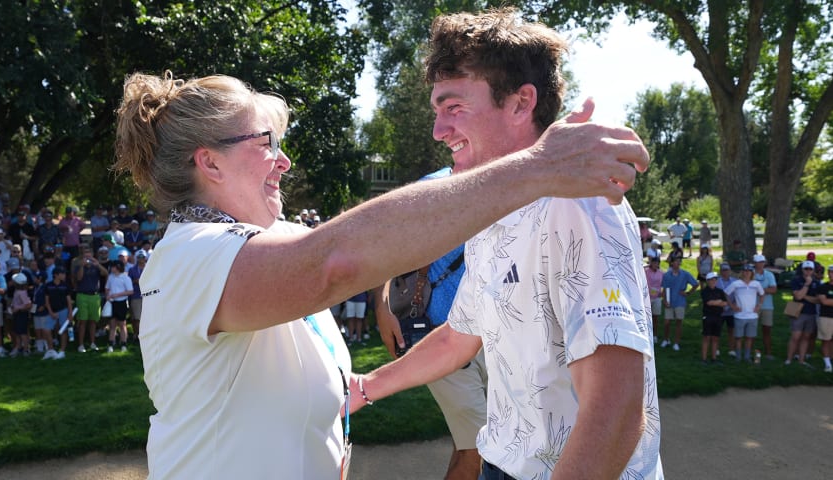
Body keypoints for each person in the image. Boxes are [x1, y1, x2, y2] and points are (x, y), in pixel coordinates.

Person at [112, 60, 650, 478]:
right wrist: (537, 168)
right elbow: (338, 260)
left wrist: (364, 389)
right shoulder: (193, 256)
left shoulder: (258, 245)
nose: (284, 160)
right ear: (208, 162)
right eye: (266, 143)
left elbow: (382, 241)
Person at [349, 10, 662, 480]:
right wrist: (365, 387)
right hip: (501, 462)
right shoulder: (493, 209)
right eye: (437, 110)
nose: (439, 130)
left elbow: (616, 412)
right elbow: (460, 335)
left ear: (521, 103)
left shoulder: (578, 203)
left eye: (454, 108)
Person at [374, 167, 484, 479]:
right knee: (477, 451)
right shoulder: (434, 186)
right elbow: (385, 245)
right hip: (443, 337)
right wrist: (383, 308)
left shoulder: (510, 181)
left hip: (493, 339)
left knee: (473, 445)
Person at [724, 264, 764, 363]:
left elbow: (762, 294)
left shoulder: (756, 284)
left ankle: (746, 356)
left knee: (749, 337)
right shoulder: (736, 283)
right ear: (742, 272)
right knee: (738, 337)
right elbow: (726, 293)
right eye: (745, 271)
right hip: (739, 315)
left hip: (752, 315)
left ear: (752, 273)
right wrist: (732, 306)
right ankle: (738, 357)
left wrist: (759, 305)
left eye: (749, 271)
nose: (746, 273)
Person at [72, 244, 107, 352]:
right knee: (82, 321)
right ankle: (81, 344)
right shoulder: (78, 266)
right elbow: (79, 278)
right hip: (82, 295)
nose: (87, 257)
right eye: (85, 255)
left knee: (93, 321)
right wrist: (82, 266)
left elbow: (105, 273)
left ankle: (92, 343)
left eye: (89, 254)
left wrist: (97, 264)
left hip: (94, 296)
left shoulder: (96, 266)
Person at [661, 256, 699, 351]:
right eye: (676, 261)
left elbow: (696, 284)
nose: (678, 263)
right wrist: (664, 300)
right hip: (669, 302)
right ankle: (666, 339)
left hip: (680, 302)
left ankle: (676, 343)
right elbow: (665, 289)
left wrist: (688, 293)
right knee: (667, 322)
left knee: (679, 322)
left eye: (679, 262)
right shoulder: (666, 275)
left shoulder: (685, 274)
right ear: (672, 263)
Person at [786, 261, 819, 366]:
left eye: (810, 269)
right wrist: (806, 285)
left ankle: (801, 360)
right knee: (796, 336)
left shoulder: (817, 283)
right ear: (802, 270)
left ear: (813, 271)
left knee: (806, 337)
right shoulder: (796, 280)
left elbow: (817, 300)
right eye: (806, 269)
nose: (808, 271)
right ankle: (789, 359)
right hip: (798, 312)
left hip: (811, 312)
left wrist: (803, 296)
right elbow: (798, 297)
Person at [752, 254, 777, 359]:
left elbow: (774, 290)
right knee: (751, 330)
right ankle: (749, 352)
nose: (761, 264)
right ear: (754, 263)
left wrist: (759, 290)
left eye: (762, 262)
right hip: (753, 306)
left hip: (767, 306)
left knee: (767, 330)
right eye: (758, 262)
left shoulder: (769, 275)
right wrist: (765, 290)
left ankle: (768, 353)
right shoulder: (750, 274)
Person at [45, 267, 73, 359]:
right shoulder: (48, 285)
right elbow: (47, 301)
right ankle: (51, 350)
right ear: (56, 275)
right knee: (47, 330)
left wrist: (70, 313)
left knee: (63, 330)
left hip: (63, 310)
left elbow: (69, 301)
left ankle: (62, 351)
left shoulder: (65, 285)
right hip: (52, 311)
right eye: (62, 273)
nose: (64, 275)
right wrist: (51, 312)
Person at [105, 260, 133, 353]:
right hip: (112, 303)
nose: (111, 268)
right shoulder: (110, 277)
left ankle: (124, 343)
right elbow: (107, 288)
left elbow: (130, 291)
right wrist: (108, 296)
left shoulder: (125, 278)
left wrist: (117, 295)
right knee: (112, 324)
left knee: (122, 324)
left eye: (113, 267)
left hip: (121, 303)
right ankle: (111, 343)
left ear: (117, 267)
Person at [700, 272, 727, 364]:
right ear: (708, 281)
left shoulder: (720, 291)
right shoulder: (704, 291)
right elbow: (708, 303)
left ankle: (714, 358)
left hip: (718, 317)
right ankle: (704, 359)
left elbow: (725, 303)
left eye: (715, 279)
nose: (714, 281)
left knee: (716, 338)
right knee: (706, 337)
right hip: (708, 316)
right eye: (712, 279)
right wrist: (719, 301)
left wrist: (716, 302)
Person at [715, 263, 739, 357]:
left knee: (731, 330)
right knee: (717, 330)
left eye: (727, 270)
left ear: (730, 271)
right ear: (720, 271)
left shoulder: (735, 281)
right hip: (719, 310)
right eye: (723, 270)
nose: (725, 272)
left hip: (731, 310)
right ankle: (716, 348)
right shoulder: (716, 282)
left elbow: (738, 294)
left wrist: (733, 305)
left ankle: (731, 349)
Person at [814, 265, 833, 372]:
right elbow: (823, 301)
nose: (832, 274)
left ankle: (831, 360)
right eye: (830, 272)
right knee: (826, 340)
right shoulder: (823, 287)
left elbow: (827, 301)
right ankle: (827, 364)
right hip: (826, 317)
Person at [8, 272, 32, 357]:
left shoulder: (22, 292)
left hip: (22, 314)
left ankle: (26, 349)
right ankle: (18, 347)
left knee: (23, 332)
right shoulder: (17, 291)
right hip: (17, 314)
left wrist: (18, 308)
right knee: (17, 332)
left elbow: (28, 305)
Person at [645, 256, 664, 344]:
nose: (656, 264)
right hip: (647, 298)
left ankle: (655, 335)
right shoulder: (645, 272)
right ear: (651, 263)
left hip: (657, 297)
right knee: (647, 317)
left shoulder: (661, 273)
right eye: (654, 263)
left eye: (657, 263)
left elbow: (663, 284)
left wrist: (662, 292)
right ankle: (646, 335)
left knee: (655, 317)